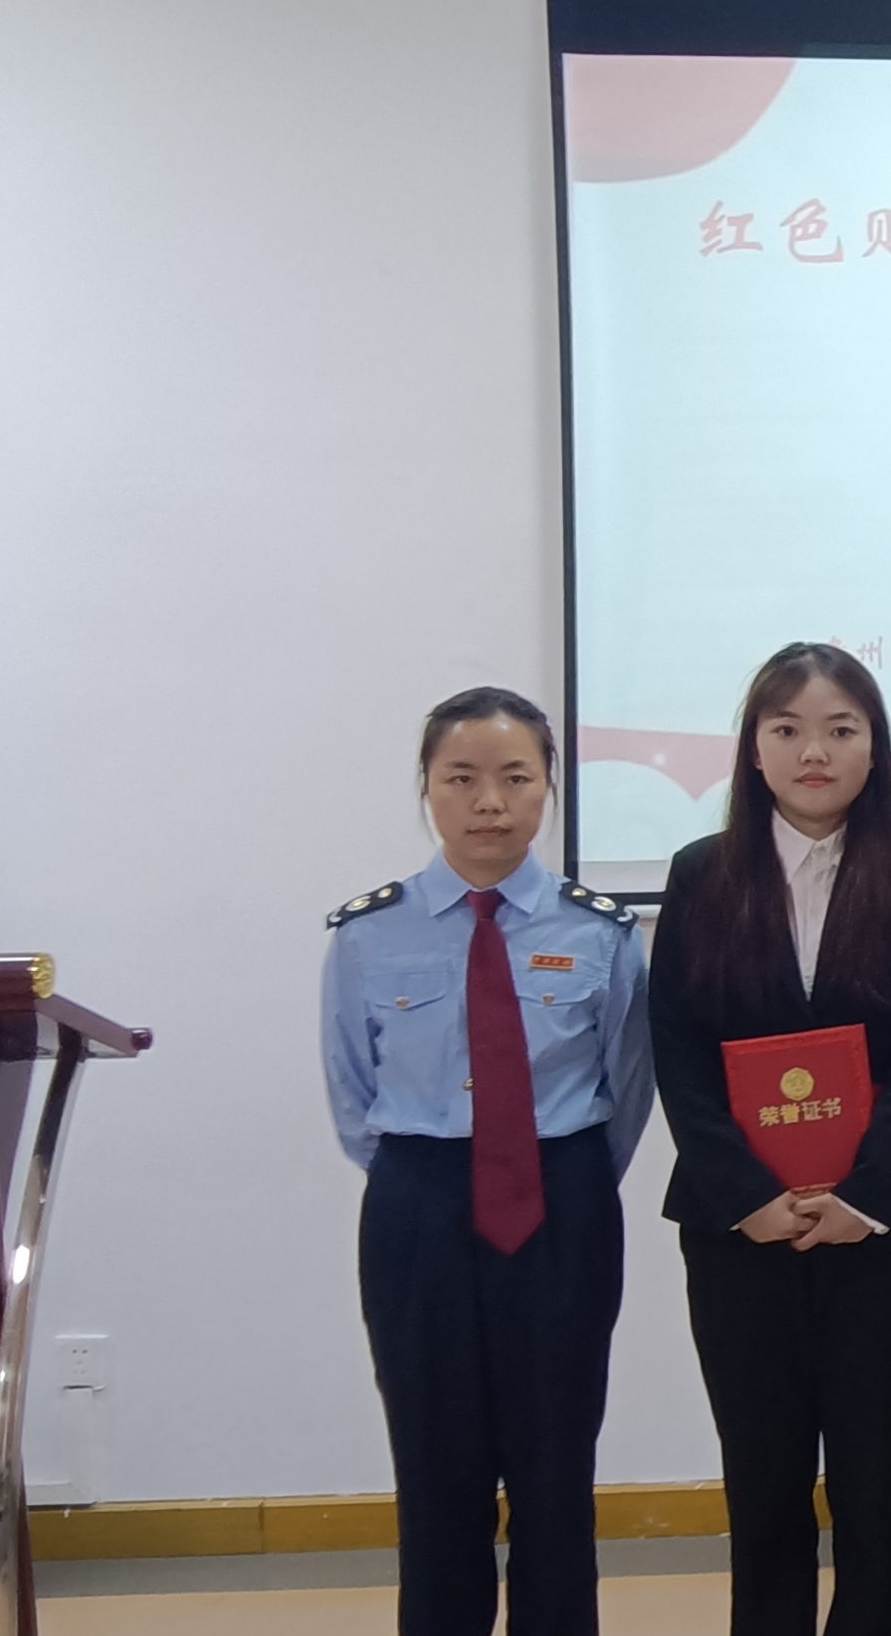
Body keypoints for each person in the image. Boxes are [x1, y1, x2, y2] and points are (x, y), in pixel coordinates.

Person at [649, 644, 891, 1636]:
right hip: (739, 1229)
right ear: (754, 748)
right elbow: (679, 1051)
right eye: (786, 728)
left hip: (885, 1226)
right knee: (764, 1470)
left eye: (840, 729)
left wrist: (863, 1195)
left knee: (882, 1470)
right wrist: (748, 1195)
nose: (813, 751)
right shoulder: (701, 873)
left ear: (875, 746)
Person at [323, 685, 652, 1636]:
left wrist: (558, 1174)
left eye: (515, 777)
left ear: (549, 786)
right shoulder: (366, 933)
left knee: (556, 1467)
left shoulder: (601, 931)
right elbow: (353, 1095)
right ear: (426, 787)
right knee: (434, 1467)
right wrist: (432, 1172)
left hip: (561, 1202)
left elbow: (627, 1086)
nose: (489, 803)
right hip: (418, 1205)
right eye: (460, 778)